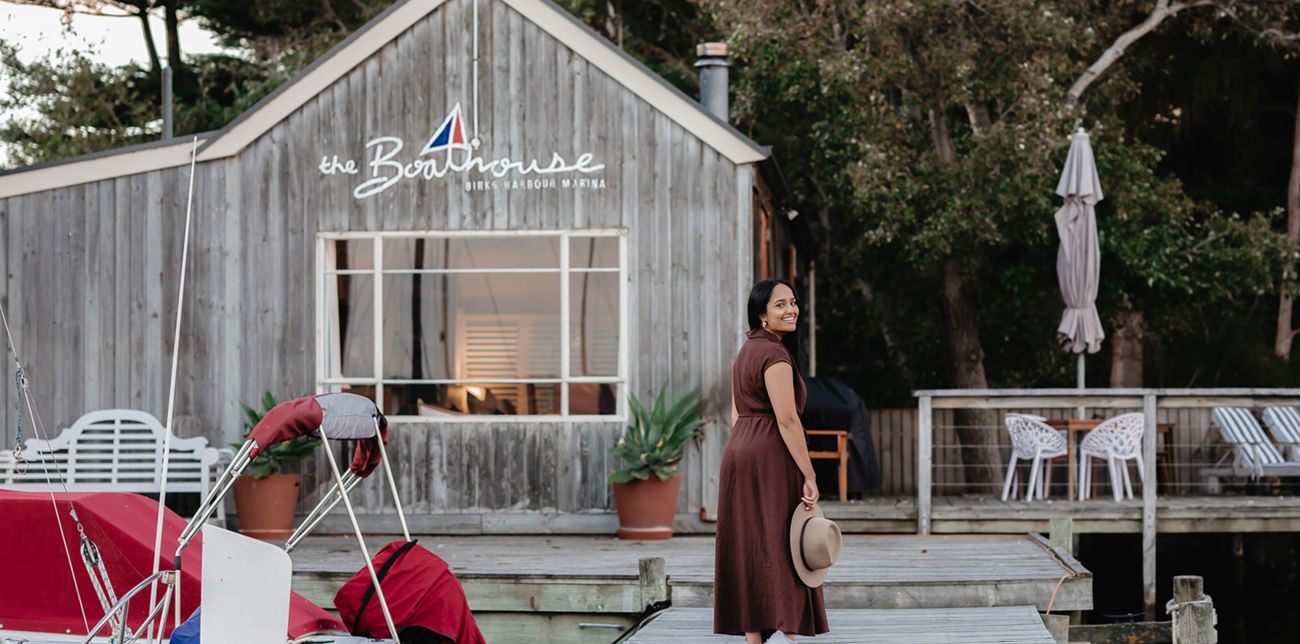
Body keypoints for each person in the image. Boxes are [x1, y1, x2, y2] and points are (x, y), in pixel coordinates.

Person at [713, 279, 829, 643]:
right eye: (780, 305)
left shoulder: (745, 353)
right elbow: (788, 419)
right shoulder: (775, 356)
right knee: (783, 541)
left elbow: (735, 414)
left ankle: (753, 637)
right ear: (762, 315)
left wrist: (748, 441)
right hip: (768, 452)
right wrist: (809, 474)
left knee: (750, 542)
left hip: (739, 450)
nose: (791, 309)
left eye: (793, 302)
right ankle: (788, 631)